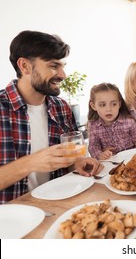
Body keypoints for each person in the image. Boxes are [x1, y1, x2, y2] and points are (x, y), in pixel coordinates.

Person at [0, 30, 101, 204]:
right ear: (25, 66)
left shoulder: (62, 108)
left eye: (63, 66)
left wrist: (78, 163)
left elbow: (70, 160)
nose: (63, 75)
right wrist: (30, 163)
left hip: (59, 207)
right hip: (12, 222)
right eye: (53, 66)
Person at [87, 82, 136, 160]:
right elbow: (93, 146)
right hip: (109, 162)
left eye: (113, 104)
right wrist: (100, 155)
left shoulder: (129, 122)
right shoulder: (93, 125)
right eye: (102, 105)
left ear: (119, 104)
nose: (109, 109)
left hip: (130, 159)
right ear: (93, 106)